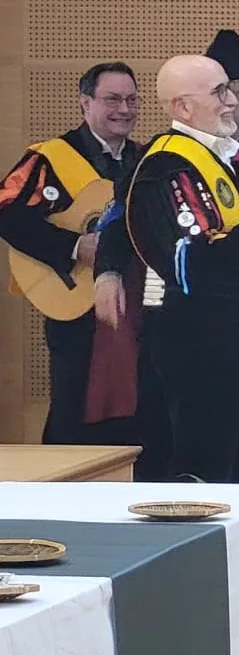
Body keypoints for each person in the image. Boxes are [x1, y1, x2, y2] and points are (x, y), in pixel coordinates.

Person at [123, 55, 239, 482]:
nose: (231, 101)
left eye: (230, 89)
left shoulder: (226, 157)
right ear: (183, 106)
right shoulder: (164, 167)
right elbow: (188, 264)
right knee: (207, 477)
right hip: (201, 345)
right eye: (219, 92)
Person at [0, 63, 156, 466]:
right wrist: (74, 246)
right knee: (74, 410)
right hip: (75, 306)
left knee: (139, 411)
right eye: (112, 99)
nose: (125, 109)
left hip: (135, 310)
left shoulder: (145, 161)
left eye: (132, 99)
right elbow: (7, 213)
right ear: (85, 103)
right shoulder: (51, 158)